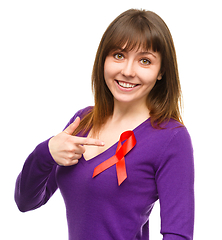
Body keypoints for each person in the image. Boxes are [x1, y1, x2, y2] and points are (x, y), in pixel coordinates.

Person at [15, 9, 194, 240]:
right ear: (104, 59)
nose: (128, 71)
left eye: (145, 61)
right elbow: (26, 201)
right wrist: (46, 151)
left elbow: (178, 234)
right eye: (119, 55)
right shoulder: (82, 121)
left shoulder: (171, 137)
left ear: (161, 72)